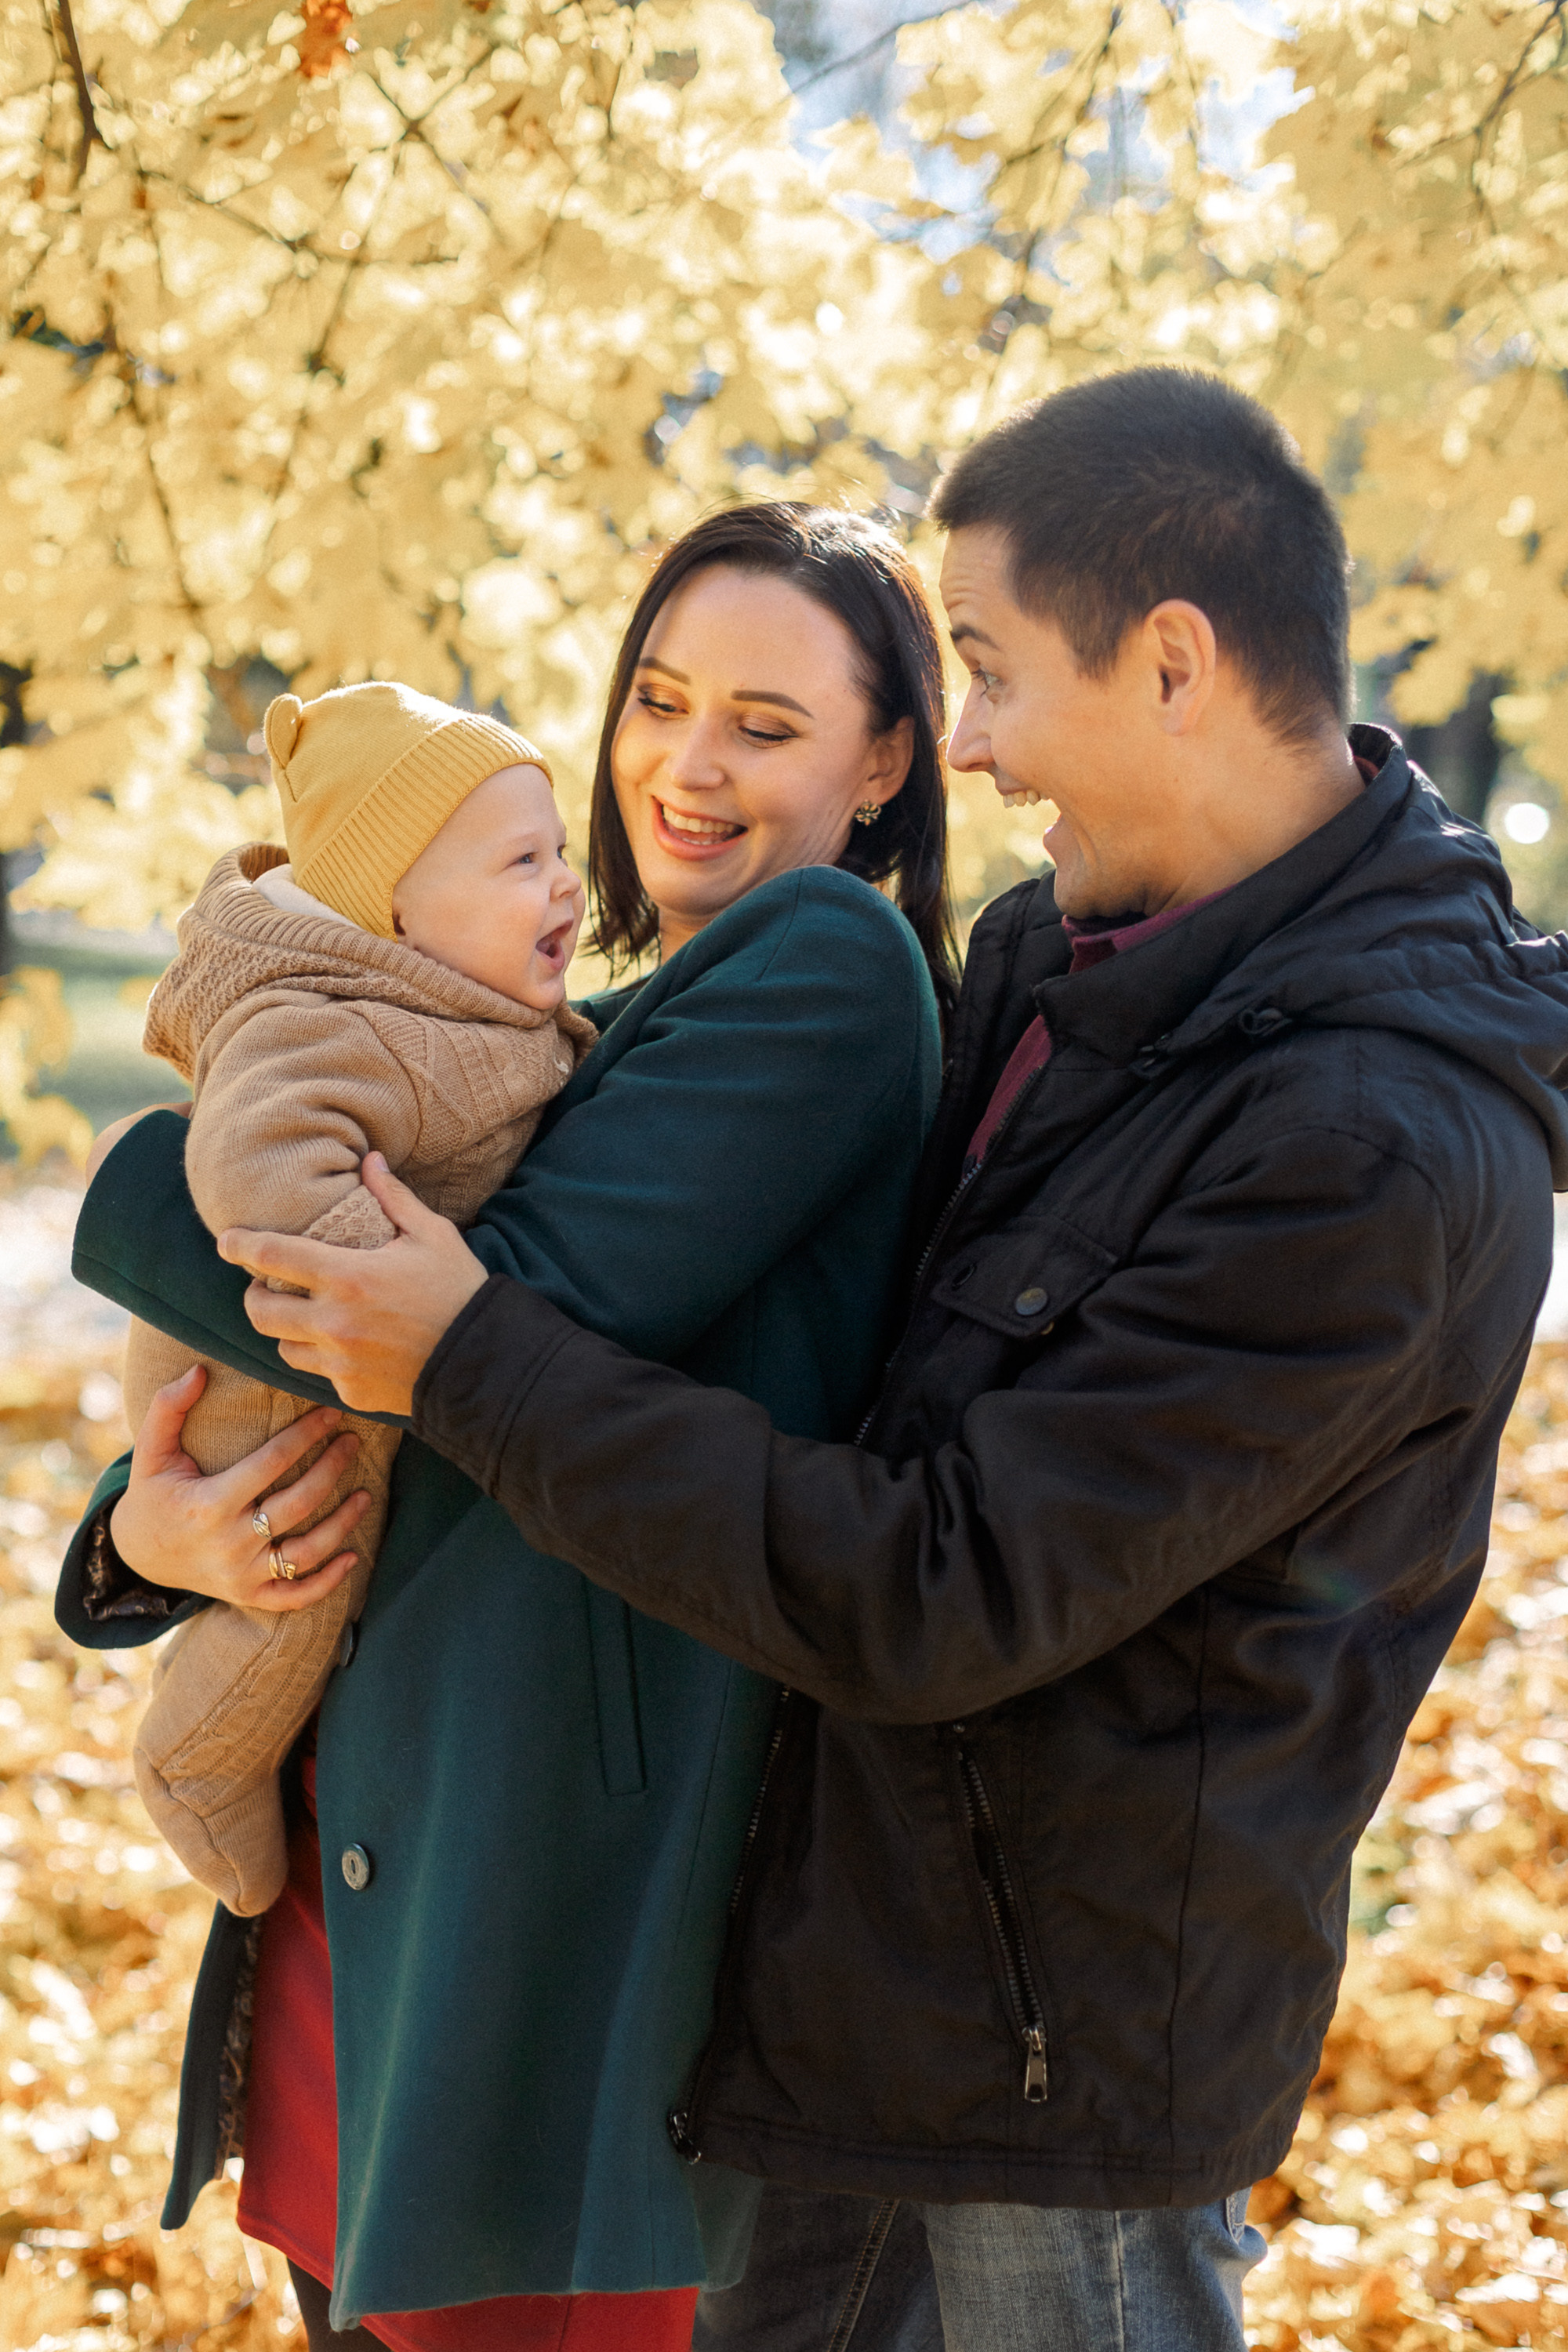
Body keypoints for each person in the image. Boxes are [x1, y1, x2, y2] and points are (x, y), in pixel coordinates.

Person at [211, 368, 1568, 2351]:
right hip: (835, 1987)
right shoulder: (1051, 965)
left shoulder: (1366, 1141)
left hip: (1052, 2071)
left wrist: (476, 1356)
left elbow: (945, 1583)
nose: (987, 750)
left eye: (998, 675)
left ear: (1174, 661)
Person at [58, 503, 955, 2347]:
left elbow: (480, 1311)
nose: (686, 768)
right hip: (373, 1877)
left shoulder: (823, 973)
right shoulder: (566, 1032)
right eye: (657, 699)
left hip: (540, 1925)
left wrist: (142, 1177)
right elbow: (333, 1378)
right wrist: (147, 1539)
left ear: (883, 765)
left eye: (765, 728)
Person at [122, 684, 593, 1921]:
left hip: (333, 1374)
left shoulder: (458, 998)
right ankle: (195, 1758)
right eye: (521, 862)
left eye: (561, 852)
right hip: (259, 1388)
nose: (564, 886)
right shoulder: (324, 1019)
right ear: (397, 913)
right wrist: (384, 1292)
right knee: (300, 1574)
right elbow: (255, 1165)